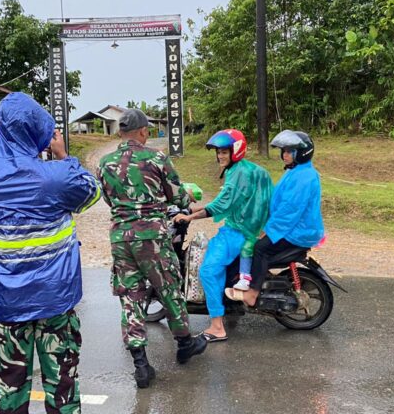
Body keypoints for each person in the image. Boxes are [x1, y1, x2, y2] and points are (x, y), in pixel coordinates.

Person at [0, 92, 101, 414]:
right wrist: (63, 156)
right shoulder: (59, 177)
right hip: (56, 303)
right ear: (40, 131)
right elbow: (92, 193)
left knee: (9, 395)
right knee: (63, 392)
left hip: (7, 306)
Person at [97, 108, 207, 389]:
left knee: (131, 296)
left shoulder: (104, 163)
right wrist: (186, 199)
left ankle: (141, 365)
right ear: (144, 131)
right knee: (168, 285)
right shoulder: (156, 157)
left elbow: (110, 201)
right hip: (153, 237)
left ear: (121, 132)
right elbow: (178, 194)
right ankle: (184, 343)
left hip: (121, 238)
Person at [173, 129, 273, 342]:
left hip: (238, 232)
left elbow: (221, 204)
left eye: (224, 152)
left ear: (235, 151)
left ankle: (217, 326)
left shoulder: (236, 173)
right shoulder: (253, 169)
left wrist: (189, 217)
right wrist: (192, 211)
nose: (220, 156)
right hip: (254, 230)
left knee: (208, 270)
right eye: (218, 152)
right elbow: (231, 201)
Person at [225, 130, 325, 307]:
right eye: (283, 151)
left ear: (301, 153)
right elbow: (277, 200)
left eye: (289, 151)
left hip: (298, 231)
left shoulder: (304, 177)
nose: (284, 155)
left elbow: (289, 210)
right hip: (295, 228)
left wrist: (269, 230)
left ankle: (252, 293)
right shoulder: (296, 171)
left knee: (260, 249)